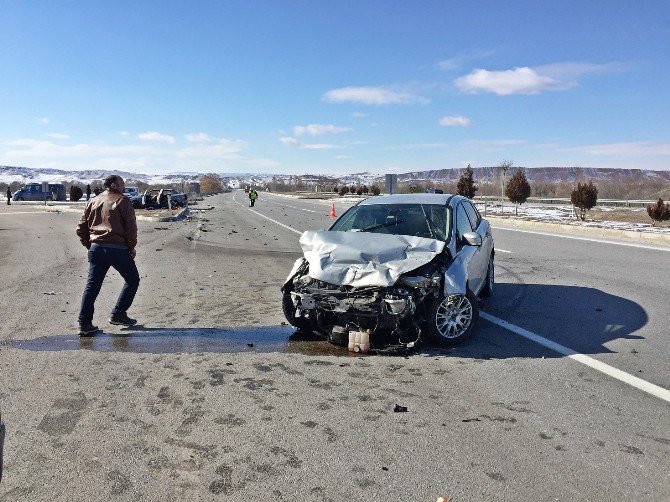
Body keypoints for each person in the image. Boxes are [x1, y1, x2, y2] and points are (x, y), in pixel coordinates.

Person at [76, 175, 140, 336]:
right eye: (122, 184)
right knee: (132, 280)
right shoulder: (123, 201)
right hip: (117, 249)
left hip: (97, 248)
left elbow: (81, 228)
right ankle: (118, 313)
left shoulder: (93, 200)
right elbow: (131, 228)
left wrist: (90, 246)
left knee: (92, 287)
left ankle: (84, 324)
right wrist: (131, 247)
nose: (124, 187)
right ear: (113, 185)